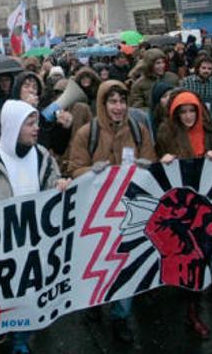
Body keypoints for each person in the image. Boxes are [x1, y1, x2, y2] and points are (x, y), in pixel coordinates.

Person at [0, 100, 70, 354]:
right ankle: (6, 336)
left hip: (36, 247)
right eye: (30, 124)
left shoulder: (43, 156)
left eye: (37, 123)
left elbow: (55, 184)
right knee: (5, 300)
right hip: (1, 251)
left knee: (30, 297)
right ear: (12, 127)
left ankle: (21, 341)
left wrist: (61, 184)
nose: (36, 129)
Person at [66, 80, 156, 344]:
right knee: (96, 264)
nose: (118, 107)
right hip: (95, 214)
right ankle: (93, 302)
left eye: (122, 101)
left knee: (125, 265)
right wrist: (91, 172)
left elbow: (151, 160)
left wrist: (146, 166)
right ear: (103, 105)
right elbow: (73, 169)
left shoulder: (138, 131)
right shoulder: (86, 133)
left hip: (129, 213)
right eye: (113, 101)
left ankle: (120, 316)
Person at [154, 90, 212, 339]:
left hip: (209, 202)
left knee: (206, 251)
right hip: (182, 207)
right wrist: (164, 160)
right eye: (183, 111)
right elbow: (156, 162)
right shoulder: (166, 132)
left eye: (192, 110)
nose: (188, 116)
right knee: (190, 257)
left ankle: (204, 294)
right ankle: (192, 312)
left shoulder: (211, 130)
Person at [181, 56, 212, 121]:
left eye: (209, 69)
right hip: (193, 118)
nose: (206, 71)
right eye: (203, 68)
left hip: (210, 119)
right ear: (198, 68)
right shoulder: (187, 81)